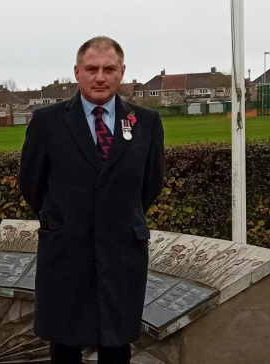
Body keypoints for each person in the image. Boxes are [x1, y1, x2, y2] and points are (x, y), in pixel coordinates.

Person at [18, 36, 165, 364]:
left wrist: (117, 215)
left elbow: (151, 183)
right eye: (92, 69)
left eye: (109, 69)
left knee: (117, 344)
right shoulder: (48, 122)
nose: (101, 76)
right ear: (77, 72)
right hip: (66, 251)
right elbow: (31, 184)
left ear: (122, 72)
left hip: (121, 250)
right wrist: (63, 218)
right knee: (65, 343)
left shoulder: (146, 123)